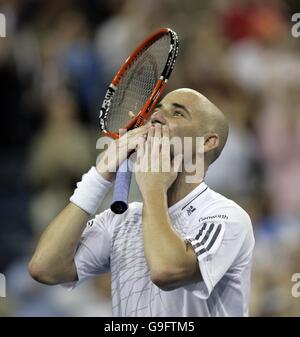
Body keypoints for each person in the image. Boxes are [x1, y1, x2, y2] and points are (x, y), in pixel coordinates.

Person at [28, 88, 255, 317]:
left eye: (177, 113)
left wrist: (154, 187)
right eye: (157, 110)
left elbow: (166, 270)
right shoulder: (121, 220)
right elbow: (45, 268)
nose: (156, 116)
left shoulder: (227, 217)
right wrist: (99, 176)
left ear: (207, 142)